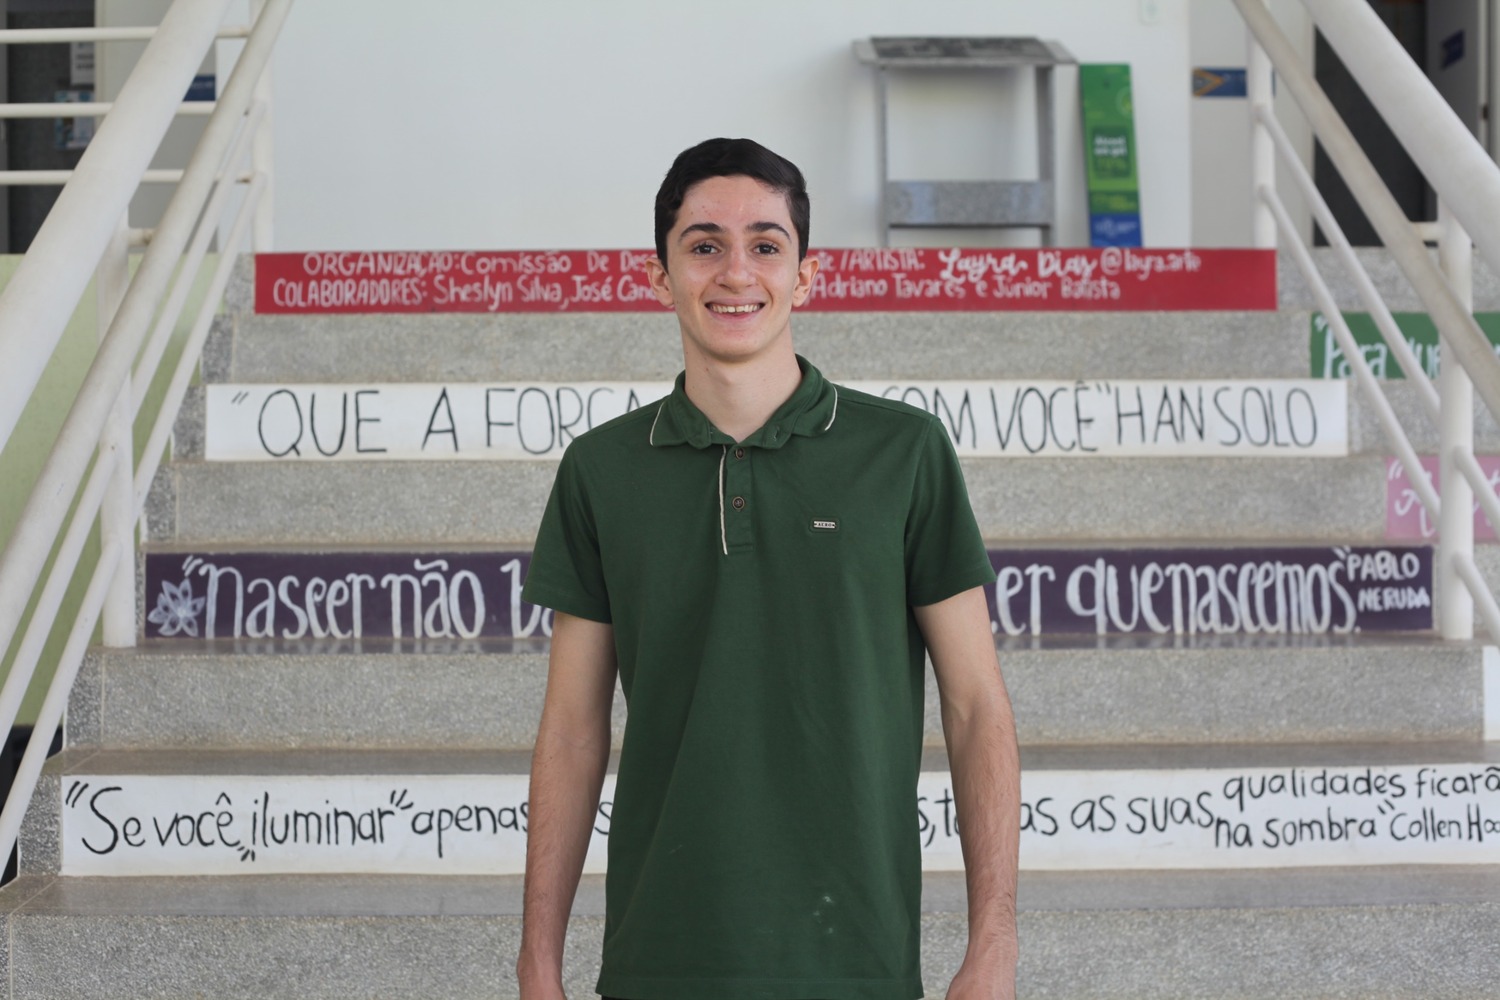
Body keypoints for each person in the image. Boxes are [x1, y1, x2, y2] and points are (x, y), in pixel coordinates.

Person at [516, 137, 1020, 1000]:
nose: (735, 272)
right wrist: (536, 964)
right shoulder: (601, 470)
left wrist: (994, 946)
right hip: (660, 961)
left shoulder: (902, 453)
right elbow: (570, 730)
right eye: (704, 245)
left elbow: (976, 709)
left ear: (805, 276)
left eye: (766, 245)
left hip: (856, 960)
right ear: (659, 276)